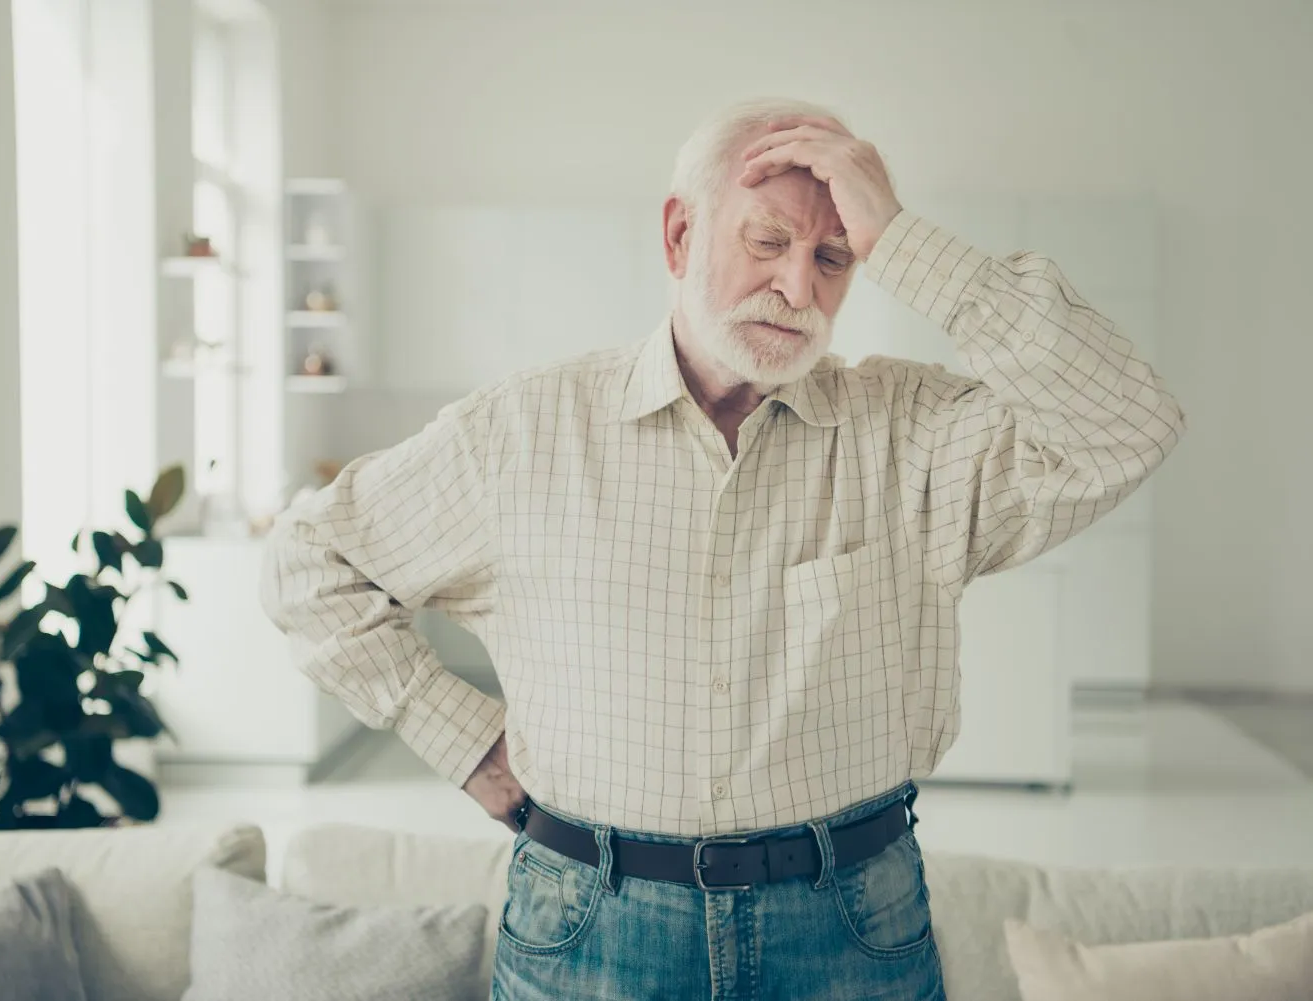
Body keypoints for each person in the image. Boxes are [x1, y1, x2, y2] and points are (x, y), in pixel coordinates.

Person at [260, 98, 1185, 1000]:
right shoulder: (526, 431)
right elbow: (310, 563)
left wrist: (900, 237)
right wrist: (459, 736)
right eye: (768, 241)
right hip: (590, 924)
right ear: (678, 236)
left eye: (833, 257)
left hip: (851, 925)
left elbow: (1130, 424)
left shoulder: (913, 433)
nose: (799, 289)